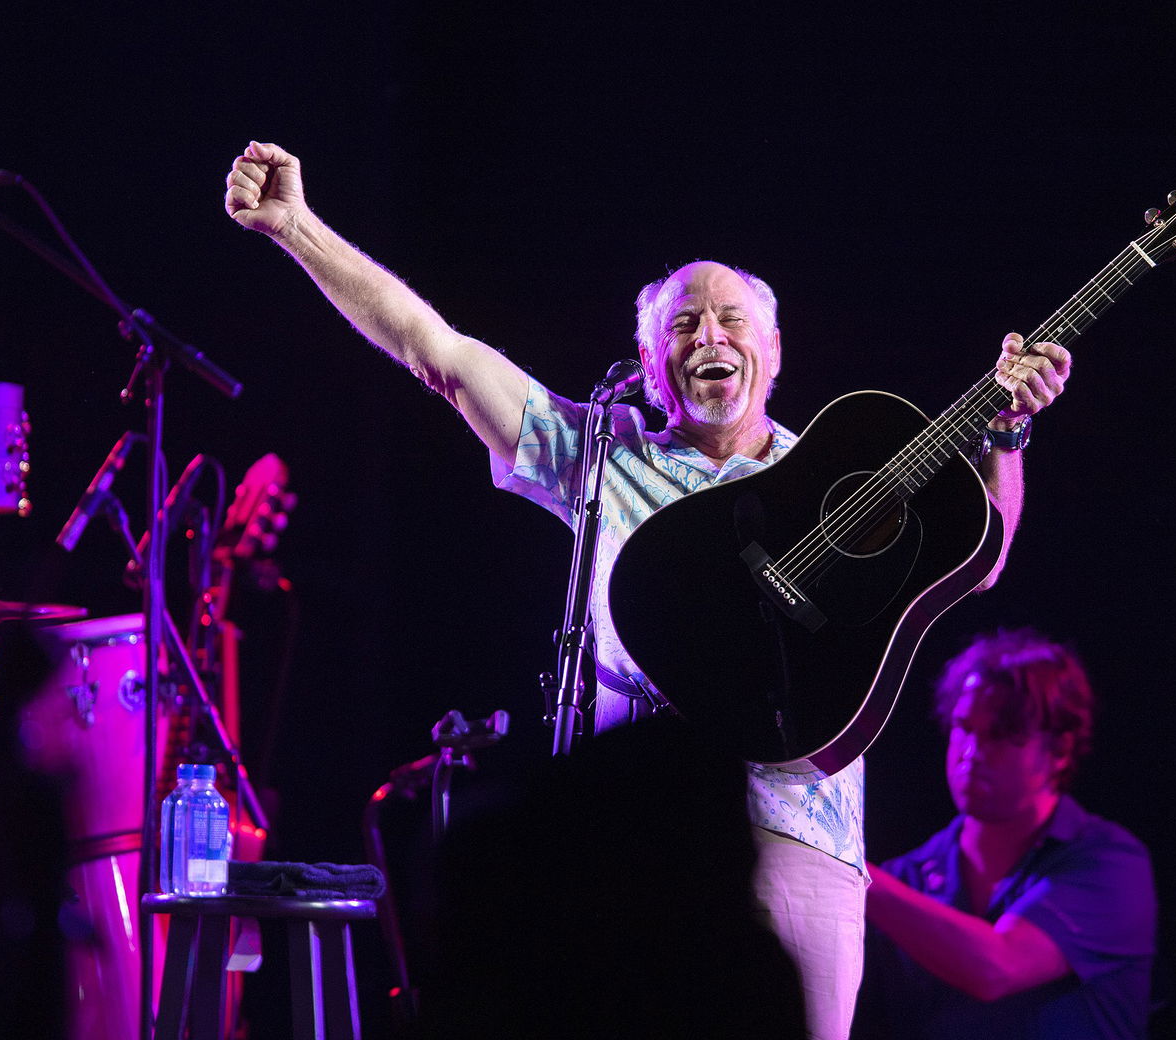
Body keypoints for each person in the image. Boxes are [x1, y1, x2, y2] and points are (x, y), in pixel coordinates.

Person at [223, 140, 1073, 1039]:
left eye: (733, 319)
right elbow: (438, 352)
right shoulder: (603, 459)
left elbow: (979, 556)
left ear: (774, 350)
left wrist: (1006, 437)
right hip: (620, 852)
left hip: (796, 841)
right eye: (684, 323)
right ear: (646, 357)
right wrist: (296, 227)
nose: (710, 336)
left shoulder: (837, 477)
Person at [854, 627, 1158, 1039]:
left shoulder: (1111, 864)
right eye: (964, 726)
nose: (972, 753)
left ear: (1060, 748)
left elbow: (996, 968)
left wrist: (847, 874)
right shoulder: (907, 877)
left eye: (1001, 734)